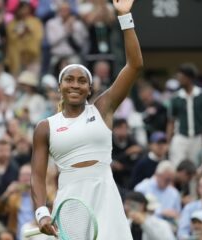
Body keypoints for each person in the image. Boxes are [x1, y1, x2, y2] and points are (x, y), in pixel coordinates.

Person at [31, 0, 143, 238]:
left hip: (106, 196)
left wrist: (125, 17)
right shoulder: (45, 127)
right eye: (69, 79)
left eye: (82, 81)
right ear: (60, 86)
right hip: (69, 202)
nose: (75, 85)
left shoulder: (102, 109)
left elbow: (134, 65)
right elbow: (37, 176)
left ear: (90, 89)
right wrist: (41, 211)